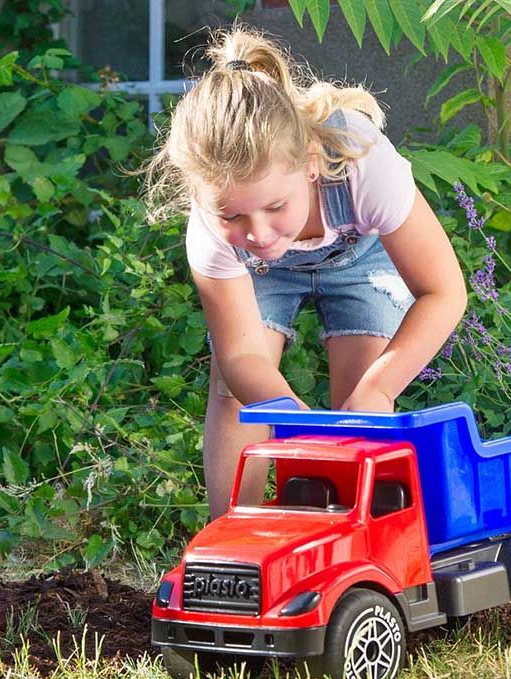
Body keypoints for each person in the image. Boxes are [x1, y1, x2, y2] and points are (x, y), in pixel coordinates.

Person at [143, 26, 467, 520]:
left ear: (310, 165)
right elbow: (242, 353)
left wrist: (378, 390)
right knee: (238, 396)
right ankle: (234, 534)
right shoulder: (211, 230)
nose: (260, 233)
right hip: (259, 278)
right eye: (233, 216)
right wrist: (292, 420)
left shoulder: (360, 161)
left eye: (276, 205)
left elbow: (443, 291)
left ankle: (350, 531)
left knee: (359, 403)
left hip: (361, 259)